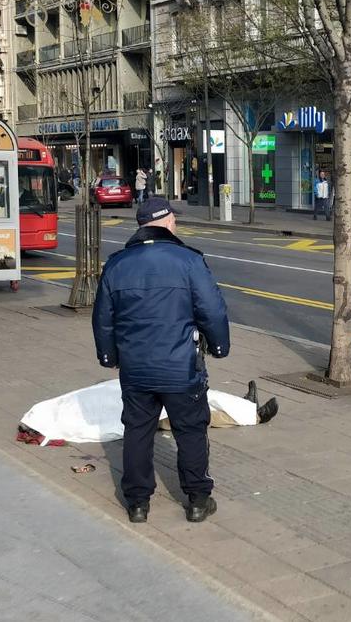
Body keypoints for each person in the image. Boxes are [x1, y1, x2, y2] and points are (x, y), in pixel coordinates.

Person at [92, 197, 230, 524]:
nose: (176, 223)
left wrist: (109, 355)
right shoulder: (189, 261)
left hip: (136, 368)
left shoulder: (117, 264)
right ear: (166, 221)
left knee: (137, 431)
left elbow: (103, 318)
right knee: (191, 430)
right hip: (181, 367)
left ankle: (138, 503)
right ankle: (197, 499)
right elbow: (212, 310)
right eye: (174, 219)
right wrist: (221, 347)